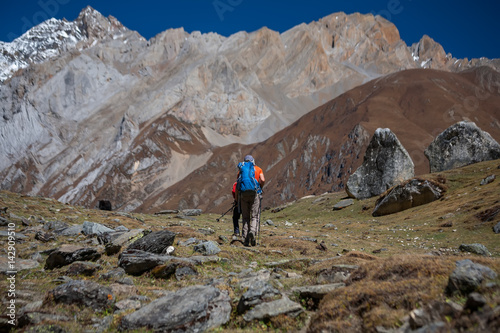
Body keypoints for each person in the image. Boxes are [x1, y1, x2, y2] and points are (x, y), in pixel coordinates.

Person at [238, 155, 265, 246]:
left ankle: (245, 239)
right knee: (254, 216)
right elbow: (263, 179)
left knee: (245, 217)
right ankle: (253, 231)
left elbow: (238, 184)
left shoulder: (241, 170)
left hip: (243, 195)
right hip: (255, 194)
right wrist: (260, 188)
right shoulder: (258, 169)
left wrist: (237, 198)